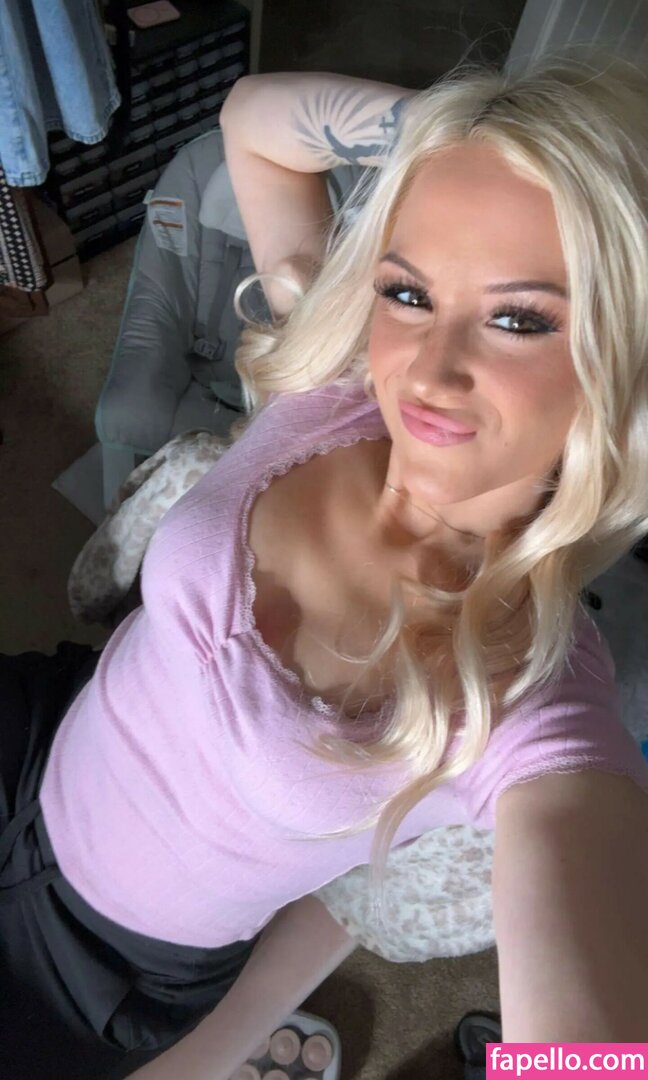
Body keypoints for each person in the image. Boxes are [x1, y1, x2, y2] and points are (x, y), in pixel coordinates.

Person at [1, 53, 648, 1079]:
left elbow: (592, 1050)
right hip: (37, 736)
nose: (428, 370)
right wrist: (461, 136)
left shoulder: (536, 697)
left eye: (519, 318)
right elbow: (255, 124)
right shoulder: (336, 387)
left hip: (100, 964)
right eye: (409, 290)